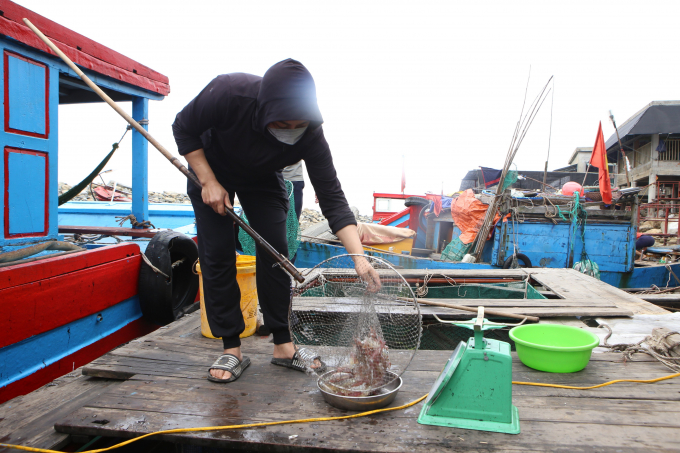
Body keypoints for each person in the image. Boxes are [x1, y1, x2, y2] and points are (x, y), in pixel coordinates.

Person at [172, 59, 380, 383]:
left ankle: (283, 345)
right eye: (282, 124)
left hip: (261, 177)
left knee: (276, 252)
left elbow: (333, 199)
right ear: (264, 110)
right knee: (217, 254)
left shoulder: (310, 134)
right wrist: (209, 181)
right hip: (212, 171)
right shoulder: (229, 93)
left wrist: (359, 259)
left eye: (297, 124)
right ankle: (231, 347)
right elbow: (183, 127)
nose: (290, 130)